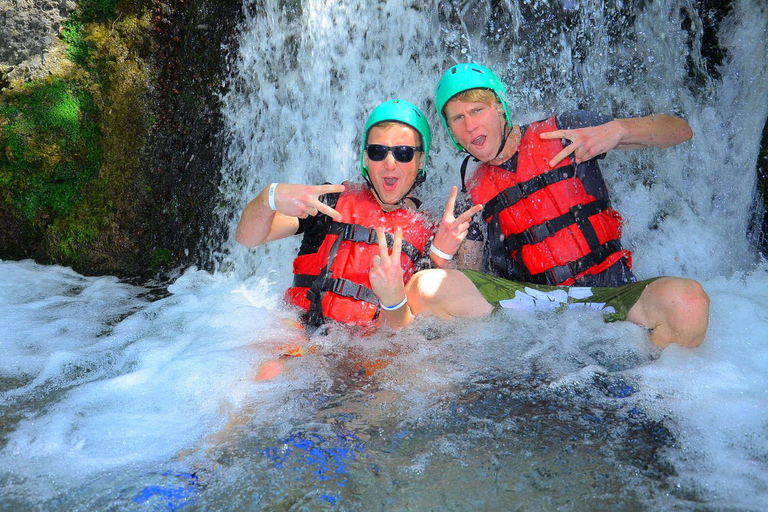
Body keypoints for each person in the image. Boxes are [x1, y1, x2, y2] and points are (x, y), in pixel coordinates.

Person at [408, 63, 709, 349]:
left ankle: (645, 371)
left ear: (500, 107)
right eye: (458, 119)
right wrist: (441, 254)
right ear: (451, 132)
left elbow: (680, 130)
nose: (470, 125)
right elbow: (467, 279)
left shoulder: (568, 130)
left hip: (611, 288)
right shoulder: (469, 195)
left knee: (689, 304)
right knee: (426, 287)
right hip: (536, 306)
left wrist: (619, 130)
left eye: (477, 110)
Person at [235, 99, 435, 332]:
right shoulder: (327, 201)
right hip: (304, 335)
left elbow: (416, 337)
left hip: (371, 354)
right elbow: (246, 238)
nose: (389, 163)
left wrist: (395, 302)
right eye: (378, 151)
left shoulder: (430, 231)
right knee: (270, 370)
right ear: (365, 159)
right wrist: (270, 197)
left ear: (420, 160)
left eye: (403, 153)